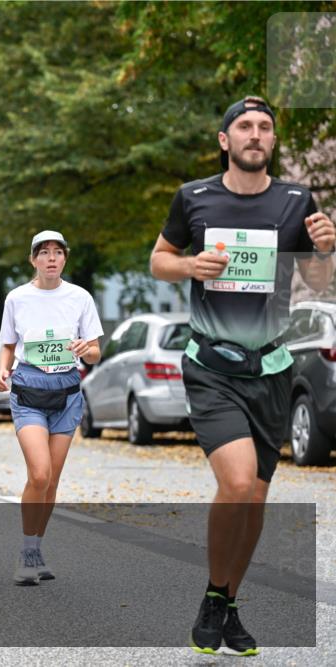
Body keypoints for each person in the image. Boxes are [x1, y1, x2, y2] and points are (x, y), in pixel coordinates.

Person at [150, 96, 334, 656]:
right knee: (236, 482)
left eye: (265, 127)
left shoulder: (296, 200)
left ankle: (227, 602)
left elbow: (317, 281)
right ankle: (214, 595)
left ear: (273, 140)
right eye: (245, 126)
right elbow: (159, 259)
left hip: (272, 367)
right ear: (225, 140)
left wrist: (326, 250)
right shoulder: (194, 197)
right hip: (212, 366)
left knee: (254, 496)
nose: (255, 134)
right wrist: (190, 265)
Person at [0, 231, 103, 586]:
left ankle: (37, 548)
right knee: (39, 474)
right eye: (44, 252)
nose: (51, 258)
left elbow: (95, 353)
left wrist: (85, 349)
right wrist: (2, 369)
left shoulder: (80, 297)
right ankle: (26, 552)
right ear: (33, 260)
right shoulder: (17, 298)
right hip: (29, 389)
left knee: (52, 480)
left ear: (65, 258)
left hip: (67, 391)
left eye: (57, 252)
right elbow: (8, 344)